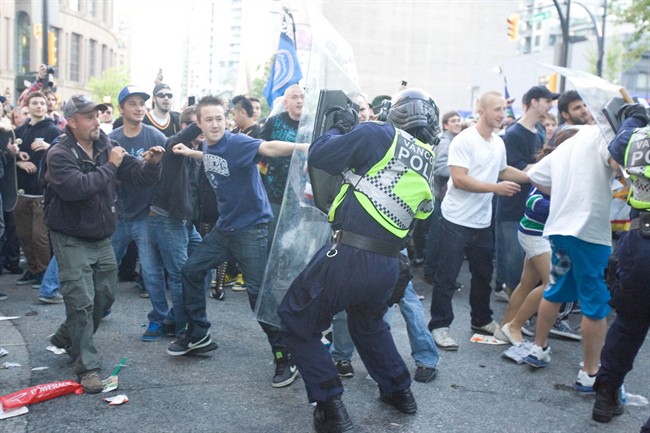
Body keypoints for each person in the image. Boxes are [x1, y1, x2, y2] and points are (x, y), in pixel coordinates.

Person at [278, 88, 440, 432]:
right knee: (367, 325)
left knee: (295, 319)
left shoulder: (377, 133)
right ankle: (400, 390)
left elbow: (321, 156)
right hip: (387, 264)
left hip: (349, 253)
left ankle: (330, 406)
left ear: (396, 112)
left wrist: (340, 127)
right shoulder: (426, 156)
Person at [167, 96, 305, 389]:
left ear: (226, 120)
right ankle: (199, 334)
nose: (215, 124)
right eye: (209, 120)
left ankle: (286, 356)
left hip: (251, 229)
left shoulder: (238, 143)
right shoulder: (208, 144)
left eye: (219, 118)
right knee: (191, 270)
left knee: (257, 296)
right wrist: (189, 153)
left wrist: (305, 148)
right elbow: (211, 156)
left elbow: (268, 148)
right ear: (200, 125)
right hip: (224, 229)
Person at [45, 94, 162, 393]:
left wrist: (152, 164)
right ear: (71, 122)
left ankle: (66, 335)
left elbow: (136, 174)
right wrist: (111, 166)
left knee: (106, 295)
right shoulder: (59, 153)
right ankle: (87, 367)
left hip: (100, 235)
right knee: (80, 300)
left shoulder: (104, 145)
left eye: (97, 115)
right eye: (89, 117)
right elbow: (77, 189)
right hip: (70, 236)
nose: (97, 121)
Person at [428, 91, 528, 351]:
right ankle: (439, 325)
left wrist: (532, 176)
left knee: (483, 275)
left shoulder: (498, 142)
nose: (501, 114)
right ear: (480, 111)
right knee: (446, 277)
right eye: (495, 109)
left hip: (482, 221)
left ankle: (481, 320)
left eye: (502, 110)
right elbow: (459, 179)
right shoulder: (464, 140)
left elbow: (503, 170)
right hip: (456, 219)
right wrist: (496, 188)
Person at [522, 123, 617, 393]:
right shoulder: (603, 135)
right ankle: (590, 372)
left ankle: (538, 349)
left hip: (560, 229)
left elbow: (536, 174)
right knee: (594, 301)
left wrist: (563, 192)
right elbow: (617, 164)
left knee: (555, 288)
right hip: (589, 233)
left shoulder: (570, 142)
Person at [591, 104, 650, 429]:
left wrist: (637, 115)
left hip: (639, 242)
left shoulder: (639, 137)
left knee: (627, 327)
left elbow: (618, 143)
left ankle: (605, 395)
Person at [495, 127, 579, 345]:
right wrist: (561, 206)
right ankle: (515, 326)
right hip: (534, 234)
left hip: (544, 235)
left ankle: (504, 328)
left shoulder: (573, 167)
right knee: (553, 283)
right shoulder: (553, 165)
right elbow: (532, 201)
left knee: (527, 284)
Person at [109, 85, 168, 340]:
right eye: (132, 103)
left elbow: (170, 173)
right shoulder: (111, 139)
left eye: (142, 103)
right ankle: (101, 307)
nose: (139, 108)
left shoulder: (155, 136)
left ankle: (159, 319)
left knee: (152, 272)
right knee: (106, 268)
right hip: (118, 215)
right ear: (121, 109)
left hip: (146, 215)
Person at [495, 85, 557, 301]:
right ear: (533, 102)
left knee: (528, 267)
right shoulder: (512, 134)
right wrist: (543, 169)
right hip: (512, 207)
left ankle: (520, 314)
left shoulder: (539, 131)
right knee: (513, 265)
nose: (550, 106)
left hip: (532, 207)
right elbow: (511, 172)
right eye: (547, 100)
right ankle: (513, 316)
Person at [13, 91, 61, 287]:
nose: (39, 106)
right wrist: (18, 161)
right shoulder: (19, 131)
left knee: (39, 236)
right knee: (24, 235)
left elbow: (65, 155)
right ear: (28, 106)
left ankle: (43, 272)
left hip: (42, 192)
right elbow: (9, 157)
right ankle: (32, 270)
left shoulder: (54, 131)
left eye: (42, 103)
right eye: (35, 103)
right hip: (21, 192)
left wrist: (49, 147)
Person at [258, 84, 304, 242]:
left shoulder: (312, 125)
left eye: (302, 97)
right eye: (295, 97)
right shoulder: (273, 123)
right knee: (271, 238)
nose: (299, 101)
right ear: (286, 103)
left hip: (302, 196)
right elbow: (259, 150)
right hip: (274, 193)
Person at [423, 110, 462, 284]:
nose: (457, 123)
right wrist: (462, 172)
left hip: (442, 195)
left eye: (458, 120)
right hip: (440, 196)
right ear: (445, 125)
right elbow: (440, 168)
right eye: (453, 121)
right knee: (437, 236)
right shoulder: (446, 142)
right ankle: (431, 273)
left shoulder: (453, 141)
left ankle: (433, 271)